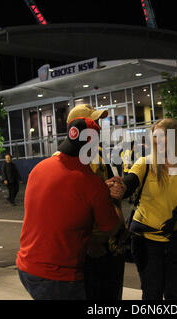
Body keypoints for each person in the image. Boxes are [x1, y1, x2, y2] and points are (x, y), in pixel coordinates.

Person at [16, 116, 122, 300]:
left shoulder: (39, 169)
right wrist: (111, 200)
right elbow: (111, 227)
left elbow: (64, 201)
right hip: (60, 277)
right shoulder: (92, 184)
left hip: (27, 268)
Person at [112, 118, 177, 300]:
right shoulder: (144, 164)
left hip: (176, 238)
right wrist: (120, 188)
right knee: (152, 292)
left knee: (175, 293)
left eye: (162, 137)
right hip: (146, 241)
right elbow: (130, 184)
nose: (157, 141)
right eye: (155, 137)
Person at [63, 104, 127, 300]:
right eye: (92, 123)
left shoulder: (97, 153)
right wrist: (91, 242)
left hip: (110, 243)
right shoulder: (74, 160)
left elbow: (100, 191)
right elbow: (73, 206)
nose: (98, 127)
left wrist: (117, 188)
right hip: (95, 247)